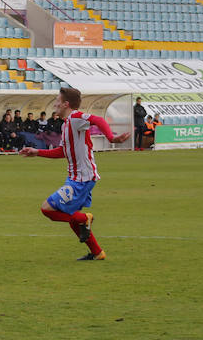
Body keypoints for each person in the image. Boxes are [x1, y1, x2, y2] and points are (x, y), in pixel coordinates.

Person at [20, 87, 130, 261]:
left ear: (66, 104)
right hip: (77, 178)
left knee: (47, 208)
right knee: (74, 220)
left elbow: (98, 119)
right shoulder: (67, 124)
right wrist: (37, 152)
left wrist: (110, 137)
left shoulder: (76, 118)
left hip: (82, 179)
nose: (55, 103)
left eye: (58, 100)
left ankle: (85, 218)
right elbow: (63, 151)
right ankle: (97, 252)